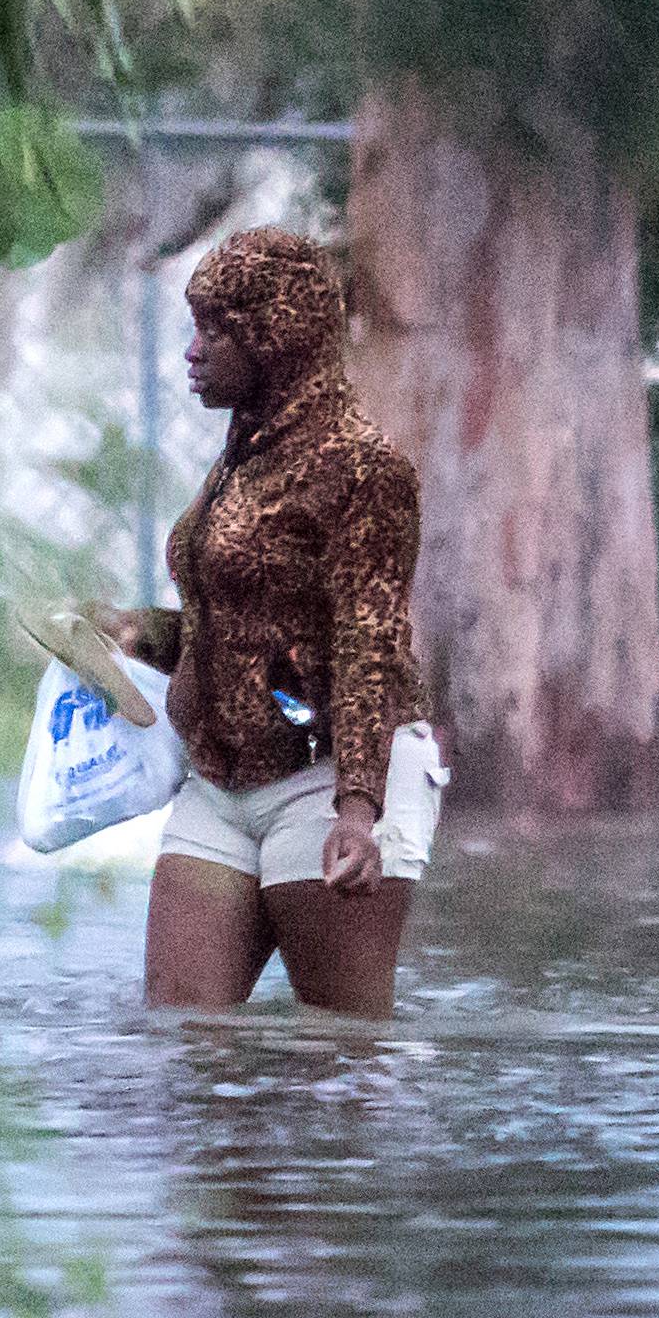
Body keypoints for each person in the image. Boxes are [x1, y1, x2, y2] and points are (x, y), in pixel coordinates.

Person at [91, 227, 430, 1020]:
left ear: (275, 336)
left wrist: (356, 808)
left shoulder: (363, 467)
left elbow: (365, 639)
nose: (193, 351)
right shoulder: (243, 456)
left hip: (331, 780)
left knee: (344, 1058)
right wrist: (135, 630)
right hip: (220, 784)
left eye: (217, 330)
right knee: (181, 1041)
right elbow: (242, 622)